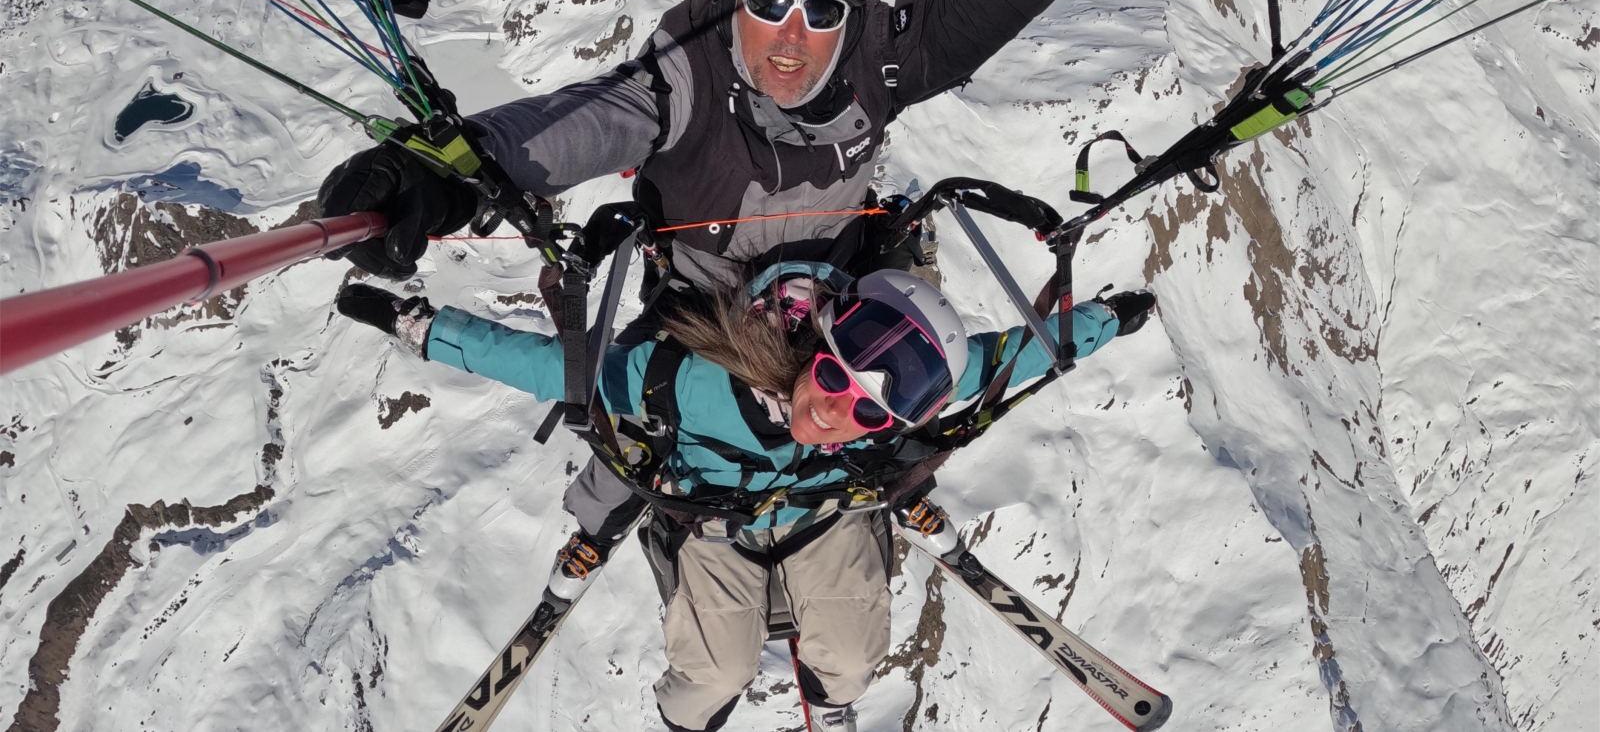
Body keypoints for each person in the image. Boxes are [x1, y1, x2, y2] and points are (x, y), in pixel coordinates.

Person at [334, 268, 1156, 731]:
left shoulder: (916, 381)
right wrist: (414, 324)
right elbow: (542, 365)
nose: (840, 413)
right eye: (833, 379)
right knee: (716, 668)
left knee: (853, 651)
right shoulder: (682, 385)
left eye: (872, 410)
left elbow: (1022, 355)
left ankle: (830, 708)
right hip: (712, 527)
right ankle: (689, 724)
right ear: (813, 345)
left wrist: (1110, 318)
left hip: (822, 516)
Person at [316, 0, 1149, 288]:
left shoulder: (879, 62)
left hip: (836, 292)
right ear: (730, 7)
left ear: (847, 23)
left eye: (821, 13)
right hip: (705, 313)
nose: (793, 36)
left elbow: (975, 13)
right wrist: (449, 173)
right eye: (769, 5)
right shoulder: (681, 84)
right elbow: (584, 125)